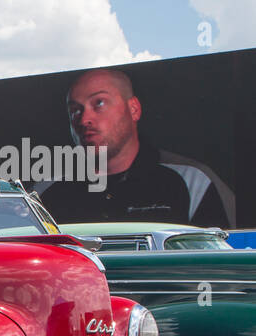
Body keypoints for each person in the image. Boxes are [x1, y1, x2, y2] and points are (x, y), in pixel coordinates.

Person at [35, 68, 234, 227]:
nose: (85, 119)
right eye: (75, 111)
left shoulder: (193, 182)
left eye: (99, 103)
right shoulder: (44, 194)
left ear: (134, 109)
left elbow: (226, 264)